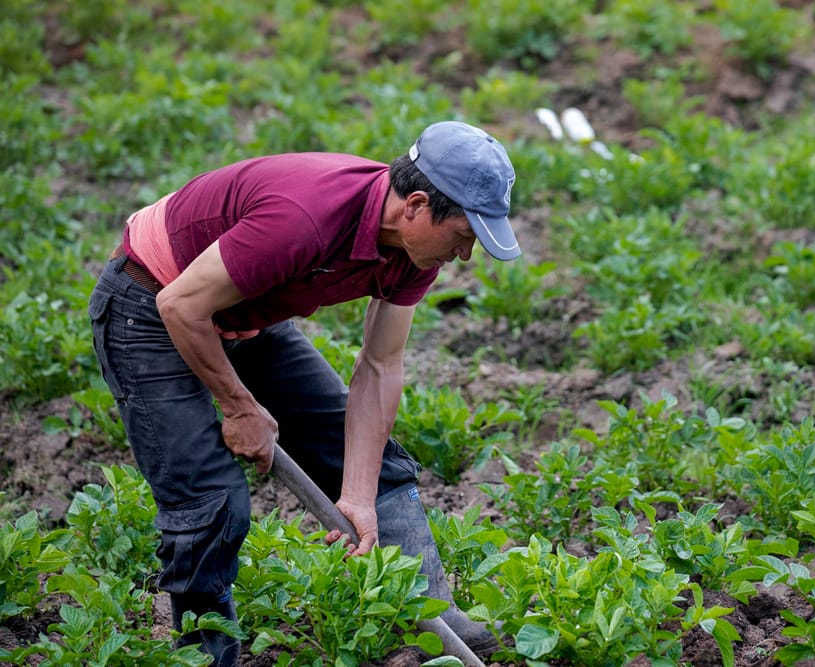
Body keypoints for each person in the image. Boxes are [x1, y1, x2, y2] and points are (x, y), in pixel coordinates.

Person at [87, 120, 520, 665]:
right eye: (462, 237)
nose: (463, 257)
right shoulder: (304, 218)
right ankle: (206, 655)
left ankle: (430, 613)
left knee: (369, 461)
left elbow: (381, 365)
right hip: (149, 302)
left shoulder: (413, 252)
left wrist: (357, 494)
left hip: (242, 311)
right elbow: (180, 305)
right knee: (211, 500)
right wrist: (240, 406)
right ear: (415, 205)